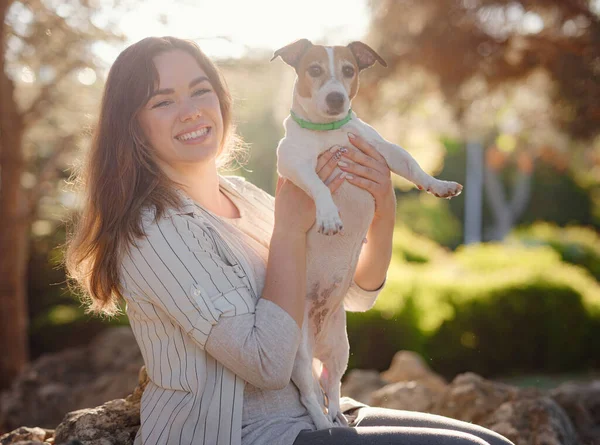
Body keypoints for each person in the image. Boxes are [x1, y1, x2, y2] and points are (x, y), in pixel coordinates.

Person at [66, 36, 514, 445]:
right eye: (163, 100)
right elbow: (266, 365)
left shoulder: (245, 195)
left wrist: (383, 208)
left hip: (315, 409)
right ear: (132, 125)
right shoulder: (155, 232)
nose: (191, 110)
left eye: (201, 90)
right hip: (240, 432)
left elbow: (353, 295)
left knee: (495, 443)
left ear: (221, 99)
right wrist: (288, 230)